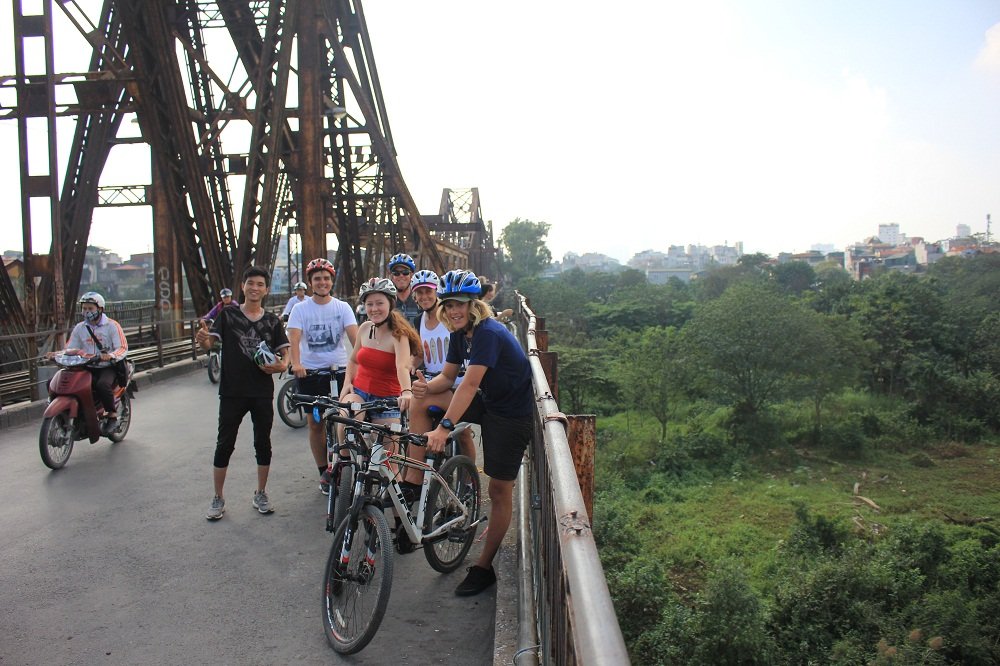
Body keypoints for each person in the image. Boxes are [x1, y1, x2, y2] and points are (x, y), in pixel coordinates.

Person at [413, 270, 533, 596]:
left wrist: (444, 427)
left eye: (461, 304)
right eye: (449, 304)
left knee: (499, 490)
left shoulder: (487, 333)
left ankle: (484, 568)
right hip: (488, 401)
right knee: (422, 401)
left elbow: (468, 384)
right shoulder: (459, 334)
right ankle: (414, 480)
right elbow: (446, 378)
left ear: (474, 305)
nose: (454, 311)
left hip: (511, 415)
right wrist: (423, 389)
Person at [196, 266, 289, 521]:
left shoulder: (272, 321)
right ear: (243, 287)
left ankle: (261, 492)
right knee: (224, 444)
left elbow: (285, 353)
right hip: (232, 391)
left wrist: (282, 365)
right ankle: (218, 497)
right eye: (250, 283)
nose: (254, 288)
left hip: (261, 392)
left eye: (260, 284)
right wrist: (203, 339)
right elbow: (209, 342)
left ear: (266, 290)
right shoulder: (228, 315)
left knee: (263, 443)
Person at [286, 258, 359, 494]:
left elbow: (356, 340)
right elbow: (294, 339)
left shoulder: (342, 307)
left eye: (326, 278)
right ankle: (323, 471)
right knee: (315, 424)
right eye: (317, 279)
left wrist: (362, 365)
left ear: (331, 281)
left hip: (339, 371)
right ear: (310, 282)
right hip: (311, 373)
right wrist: (297, 363)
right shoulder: (300, 309)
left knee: (345, 419)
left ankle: (345, 464)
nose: (322, 282)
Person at [339, 278, 420, 472]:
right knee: (345, 421)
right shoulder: (364, 328)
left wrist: (406, 392)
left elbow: (402, 366)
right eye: (369, 304)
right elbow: (354, 360)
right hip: (360, 393)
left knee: (389, 463)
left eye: (379, 303)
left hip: (387, 400)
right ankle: (344, 466)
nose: (374, 309)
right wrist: (347, 382)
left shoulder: (399, 334)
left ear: (390, 304)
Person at [51, 291, 128, 434]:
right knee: (57, 382)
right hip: (86, 366)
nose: (87, 312)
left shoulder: (112, 326)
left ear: (100, 309)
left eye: (90, 308)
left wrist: (110, 356)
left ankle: (112, 415)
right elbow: (70, 348)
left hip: (107, 366)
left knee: (102, 385)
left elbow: (122, 347)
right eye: (84, 308)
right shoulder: (80, 328)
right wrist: (56, 354)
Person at [387, 253, 421, 324]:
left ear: (411, 275)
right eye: (396, 273)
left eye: (405, 272)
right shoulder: (387, 303)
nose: (401, 276)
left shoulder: (420, 300)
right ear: (392, 277)